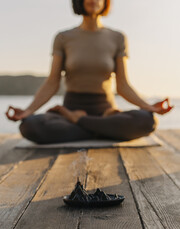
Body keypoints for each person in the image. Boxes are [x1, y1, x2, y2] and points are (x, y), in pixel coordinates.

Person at [6, 0, 174, 144]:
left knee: (147, 121)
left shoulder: (117, 37)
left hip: (106, 112)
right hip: (70, 110)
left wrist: (148, 107)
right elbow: (52, 82)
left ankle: (80, 123)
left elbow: (122, 85)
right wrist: (28, 111)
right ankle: (102, 130)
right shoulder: (63, 38)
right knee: (29, 125)